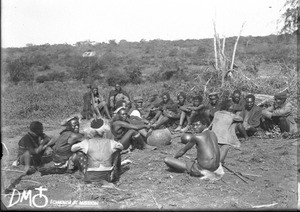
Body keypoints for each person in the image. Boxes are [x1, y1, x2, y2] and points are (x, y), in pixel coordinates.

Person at [71, 118, 124, 183]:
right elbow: (121, 147)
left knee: (79, 153)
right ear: (104, 131)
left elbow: (73, 148)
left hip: (91, 176)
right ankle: (117, 172)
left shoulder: (86, 143)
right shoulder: (111, 142)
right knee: (117, 151)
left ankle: (83, 173)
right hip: (108, 176)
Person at [211, 100, 244, 164]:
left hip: (213, 137)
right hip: (224, 139)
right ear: (229, 107)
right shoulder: (231, 115)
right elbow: (241, 119)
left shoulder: (216, 113)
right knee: (225, 147)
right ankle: (220, 162)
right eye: (232, 106)